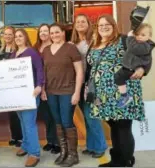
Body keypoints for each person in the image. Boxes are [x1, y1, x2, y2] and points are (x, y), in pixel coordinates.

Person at [85, 14, 147, 167]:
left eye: (107, 24)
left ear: (113, 26)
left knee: (123, 126)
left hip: (123, 91)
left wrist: (141, 68)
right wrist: (88, 86)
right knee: (114, 125)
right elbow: (91, 68)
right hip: (103, 94)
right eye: (100, 25)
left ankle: (125, 160)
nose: (104, 27)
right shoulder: (94, 44)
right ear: (97, 28)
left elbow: (143, 54)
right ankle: (118, 159)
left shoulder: (124, 40)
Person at [41, 23, 84, 167]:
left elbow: (79, 71)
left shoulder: (71, 48)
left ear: (62, 33)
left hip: (67, 91)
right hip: (51, 92)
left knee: (67, 122)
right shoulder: (46, 50)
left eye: (56, 32)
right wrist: (43, 90)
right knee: (58, 123)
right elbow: (44, 72)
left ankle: (73, 154)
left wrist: (77, 92)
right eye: (51, 33)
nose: (54, 35)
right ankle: (64, 152)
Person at [70, 14, 107, 158]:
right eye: (77, 22)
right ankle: (91, 146)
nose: (80, 24)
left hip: (92, 83)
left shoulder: (95, 40)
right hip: (80, 82)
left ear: (88, 24)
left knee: (91, 115)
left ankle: (100, 146)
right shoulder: (73, 42)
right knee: (87, 116)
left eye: (83, 21)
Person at [11, 28, 44, 167]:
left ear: (25, 38)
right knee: (22, 121)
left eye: (20, 36)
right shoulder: (13, 54)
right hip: (17, 94)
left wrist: (39, 85)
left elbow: (39, 69)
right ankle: (25, 145)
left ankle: (34, 153)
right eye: (16, 36)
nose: (18, 38)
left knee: (29, 123)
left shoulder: (31, 52)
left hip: (30, 93)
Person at [115, 23, 155, 108]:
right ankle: (124, 95)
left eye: (143, 35)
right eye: (137, 35)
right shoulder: (136, 43)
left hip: (132, 70)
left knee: (119, 77)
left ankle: (125, 96)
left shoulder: (146, 46)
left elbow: (134, 48)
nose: (139, 37)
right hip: (128, 67)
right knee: (118, 77)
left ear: (150, 36)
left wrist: (130, 37)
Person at [33, 23, 60, 154]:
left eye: (46, 31)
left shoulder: (54, 47)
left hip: (52, 85)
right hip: (40, 86)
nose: (43, 33)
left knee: (56, 115)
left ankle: (58, 143)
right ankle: (50, 141)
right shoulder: (35, 48)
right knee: (46, 116)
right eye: (41, 31)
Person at [0, 26, 23, 147]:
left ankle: (21, 138)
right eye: (5, 34)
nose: (7, 37)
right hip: (5, 86)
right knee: (11, 113)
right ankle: (14, 137)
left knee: (19, 113)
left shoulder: (17, 50)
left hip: (16, 85)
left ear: (14, 36)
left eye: (10, 34)